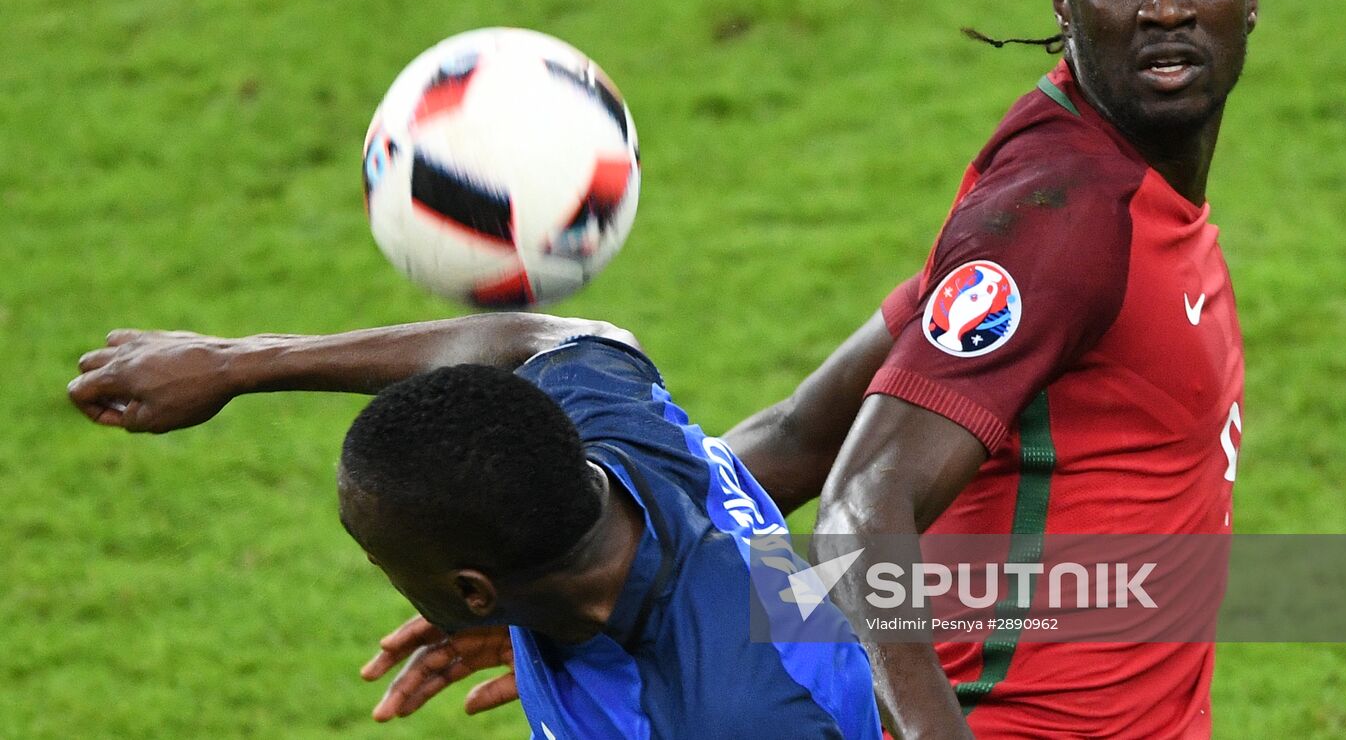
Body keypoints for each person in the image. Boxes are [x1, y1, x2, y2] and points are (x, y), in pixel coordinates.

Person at [725, 0, 1257, 738]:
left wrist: (602, 580)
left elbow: (801, 432)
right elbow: (860, 505)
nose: (1166, 6)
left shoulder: (1089, 182)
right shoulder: (1066, 216)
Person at [67, 315, 880, 738]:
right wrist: (239, 364)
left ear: (471, 589)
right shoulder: (619, 439)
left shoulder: (737, 716)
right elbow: (558, 341)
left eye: (382, 559)